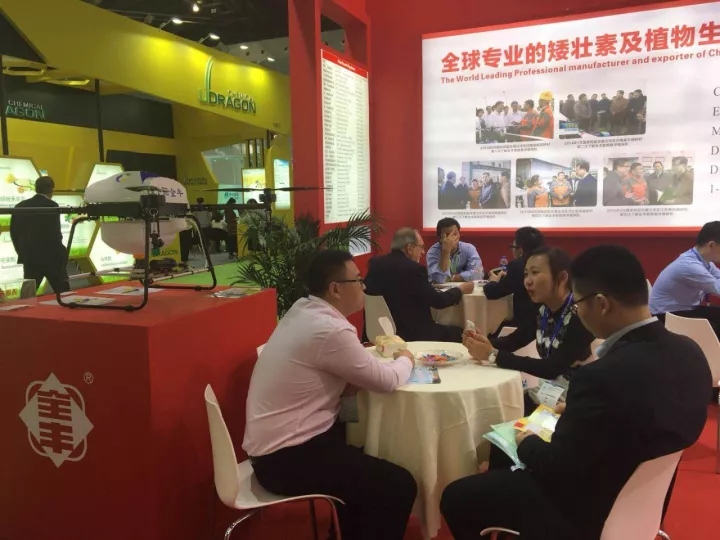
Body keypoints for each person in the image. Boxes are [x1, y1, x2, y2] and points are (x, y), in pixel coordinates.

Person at [441, 245, 711, 540]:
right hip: (644, 504)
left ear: (601, 304)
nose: (578, 310)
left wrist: (525, 440)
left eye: (579, 303)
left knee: (457, 496)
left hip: (585, 509)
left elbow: (554, 466)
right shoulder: (691, 353)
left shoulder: (599, 377)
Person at [244, 250, 418, 540]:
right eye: (358, 280)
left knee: (363, 466)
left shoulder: (303, 309)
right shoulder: (330, 330)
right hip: (286, 457)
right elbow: (387, 381)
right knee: (399, 485)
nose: (364, 286)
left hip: (274, 447)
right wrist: (406, 359)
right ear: (335, 289)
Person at [465, 246, 595, 414]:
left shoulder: (580, 314)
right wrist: (480, 342)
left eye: (535, 273)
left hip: (576, 399)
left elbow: (552, 367)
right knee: (496, 406)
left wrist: (493, 355)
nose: (528, 281)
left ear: (562, 277)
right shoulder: (542, 310)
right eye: (526, 274)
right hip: (548, 391)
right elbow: (514, 341)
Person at [363, 227, 474, 343]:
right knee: (461, 333)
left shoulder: (375, 264)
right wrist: (460, 289)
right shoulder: (414, 270)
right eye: (421, 247)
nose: (423, 252)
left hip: (378, 334)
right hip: (413, 335)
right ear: (409, 248)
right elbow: (438, 301)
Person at [650, 221, 720, 336]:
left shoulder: (701, 260)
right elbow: (717, 289)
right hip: (665, 316)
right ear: (711, 245)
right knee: (713, 328)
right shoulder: (690, 266)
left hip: (684, 309)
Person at [9, 176, 70, 294]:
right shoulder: (52, 205)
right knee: (64, 295)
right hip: (52, 258)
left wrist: (22, 253)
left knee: (28, 295)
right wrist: (62, 254)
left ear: (36, 188)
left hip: (30, 258)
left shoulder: (20, 206)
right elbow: (55, 234)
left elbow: (14, 233)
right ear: (51, 189)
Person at [483, 227, 544, 331]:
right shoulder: (550, 261)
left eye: (513, 247)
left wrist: (493, 281)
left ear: (520, 250)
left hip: (526, 323)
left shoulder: (518, 265)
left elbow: (492, 293)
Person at [425, 218, 482, 284]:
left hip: (465, 287)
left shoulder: (469, 248)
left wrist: (452, 278)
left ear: (459, 234)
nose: (452, 238)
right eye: (448, 235)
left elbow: (478, 274)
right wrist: (446, 251)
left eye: (455, 234)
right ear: (440, 238)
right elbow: (439, 280)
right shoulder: (432, 252)